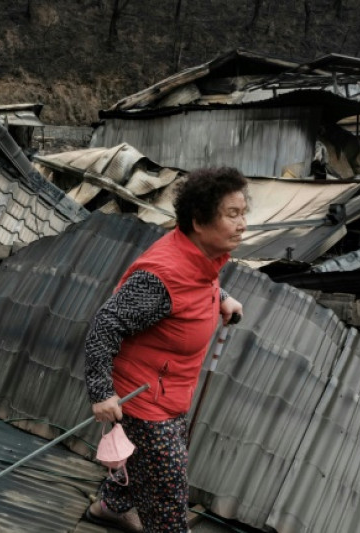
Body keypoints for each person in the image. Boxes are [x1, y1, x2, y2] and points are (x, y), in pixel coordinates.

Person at [83, 167, 247, 532]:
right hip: (142, 402)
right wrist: (101, 392)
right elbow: (104, 325)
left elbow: (193, 288)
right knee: (168, 498)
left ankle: (113, 505)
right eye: (232, 214)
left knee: (143, 465)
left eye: (243, 213)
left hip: (167, 388)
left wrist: (220, 297)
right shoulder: (161, 277)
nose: (243, 224)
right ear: (199, 222)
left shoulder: (200, 255)